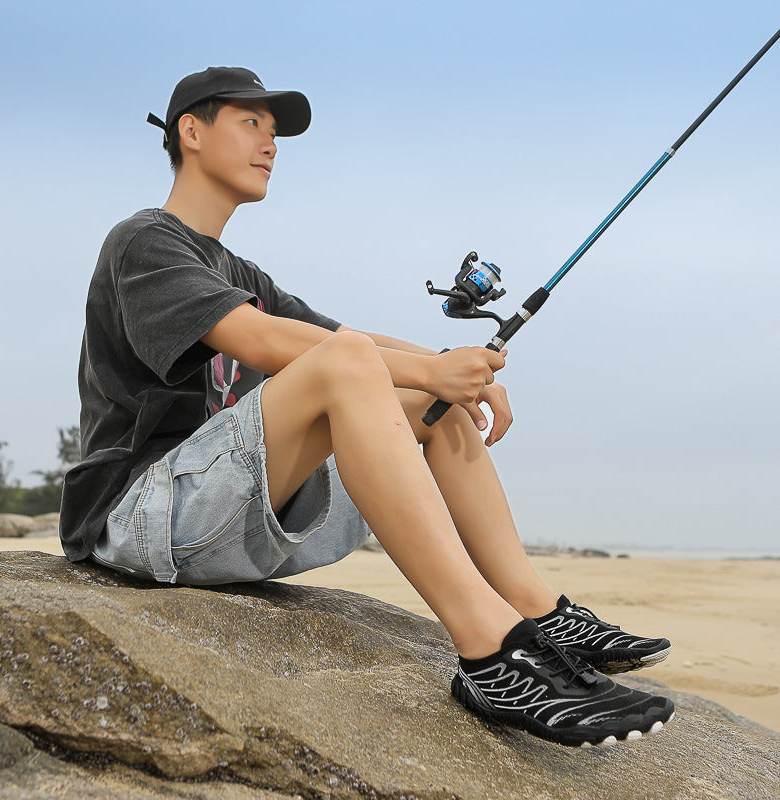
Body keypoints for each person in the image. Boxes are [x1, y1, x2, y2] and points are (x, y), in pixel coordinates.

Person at [60, 67, 675, 749]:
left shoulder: (239, 272)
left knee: (425, 399)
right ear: (191, 132)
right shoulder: (144, 240)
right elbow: (266, 340)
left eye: (274, 131)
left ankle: (539, 612)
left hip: (230, 518)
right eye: (251, 122)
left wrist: (450, 368)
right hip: (141, 518)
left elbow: (347, 338)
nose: (270, 143)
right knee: (361, 367)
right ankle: (490, 653)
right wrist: (433, 369)